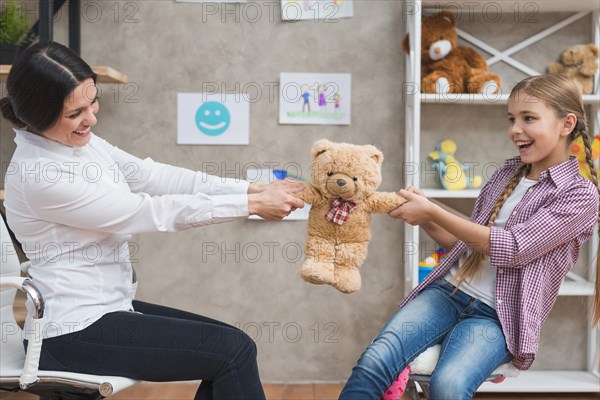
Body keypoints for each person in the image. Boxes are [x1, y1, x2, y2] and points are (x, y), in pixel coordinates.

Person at [0, 41, 305, 400]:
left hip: (105, 310)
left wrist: (248, 188)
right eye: (76, 113)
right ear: (38, 115)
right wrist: (249, 204)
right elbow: (147, 211)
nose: (92, 118)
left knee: (233, 349)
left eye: (93, 101)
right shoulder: (41, 176)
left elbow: (149, 175)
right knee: (231, 352)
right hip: (71, 332)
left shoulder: (77, 143)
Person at [339, 74, 600, 400]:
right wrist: (424, 219)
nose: (515, 129)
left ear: (566, 124)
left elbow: (513, 248)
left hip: (497, 318)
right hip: (448, 291)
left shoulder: (580, 195)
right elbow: (467, 248)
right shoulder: (507, 174)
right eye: (512, 119)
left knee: (448, 386)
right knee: (375, 361)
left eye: (528, 118)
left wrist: (433, 211)